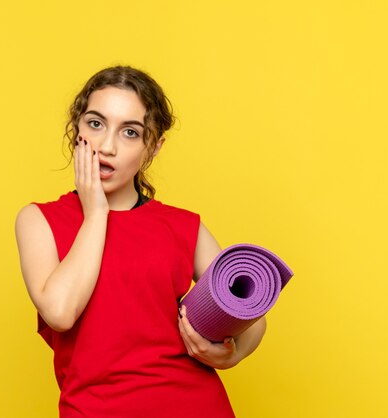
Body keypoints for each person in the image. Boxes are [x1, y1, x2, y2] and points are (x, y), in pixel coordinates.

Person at [14, 65, 267, 417]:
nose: (107, 146)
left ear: (153, 148)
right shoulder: (39, 220)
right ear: (77, 128)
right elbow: (60, 312)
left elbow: (251, 315)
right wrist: (96, 213)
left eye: (130, 132)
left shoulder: (182, 226)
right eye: (96, 123)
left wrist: (234, 352)